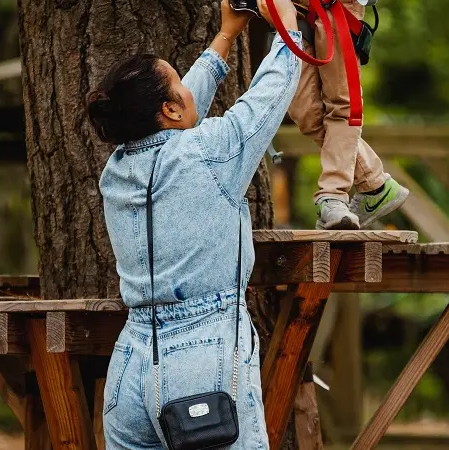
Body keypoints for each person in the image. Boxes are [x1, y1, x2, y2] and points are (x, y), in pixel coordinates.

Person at [87, 0, 302, 448]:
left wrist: (226, 38)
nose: (188, 90)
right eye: (177, 84)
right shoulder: (209, 152)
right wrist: (288, 26)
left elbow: (177, 116)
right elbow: (270, 93)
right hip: (205, 359)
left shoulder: (117, 171)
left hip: (130, 365)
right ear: (167, 108)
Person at [287, 0, 409, 230]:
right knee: (304, 110)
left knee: (341, 106)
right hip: (293, 7)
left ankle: (333, 196)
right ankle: (375, 184)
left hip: (337, 5)